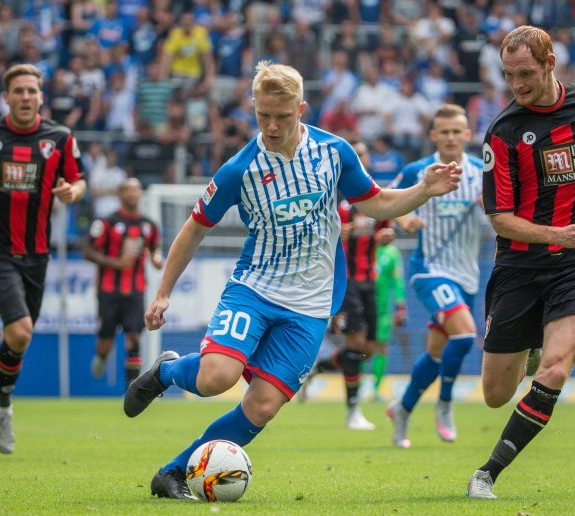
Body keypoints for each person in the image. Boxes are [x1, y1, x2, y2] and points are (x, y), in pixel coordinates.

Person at [122, 61, 462, 500]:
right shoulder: (239, 169)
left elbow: (376, 203)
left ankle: (171, 473)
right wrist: (163, 292)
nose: (272, 126)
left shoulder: (334, 152)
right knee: (215, 378)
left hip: (311, 306)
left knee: (262, 406)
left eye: (282, 116)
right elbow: (194, 228)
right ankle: (166, 371)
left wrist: (423, 191)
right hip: (255, 290)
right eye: (263, 115)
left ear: (301, 109)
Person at [467, 25, 575, 499]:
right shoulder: (503, 133)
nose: (516, 84)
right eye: (508, 75)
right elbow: (500, 219)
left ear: (550, 64)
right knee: (495, 394)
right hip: (521, 266)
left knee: (557, 367)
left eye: (525, 73)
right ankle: (530, 346)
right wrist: (554, 234)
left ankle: (487, 473)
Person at [0, 64, 86, 461]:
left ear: (42, 97)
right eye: (18, 91)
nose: (25, 97)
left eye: (32, 91)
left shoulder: (59, 138)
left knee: (15, 339)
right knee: (20, 331)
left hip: (37, 255)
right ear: (6, 97)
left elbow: (79, 179)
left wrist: (73, 192)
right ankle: (2, 409)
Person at [386, 104, 484, 448]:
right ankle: (445, 404)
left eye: (457, 131)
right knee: (465, 335)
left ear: (467, 135)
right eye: (445, 132)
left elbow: (501, 213)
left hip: (467, 274)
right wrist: (405, 220)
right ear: (433, 136)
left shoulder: (482, 172)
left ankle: (402, 408)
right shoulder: (417, 170)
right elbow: (387, 201)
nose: (451, 137)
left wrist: (491, 206)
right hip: (429, 270)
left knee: (436, 354)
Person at [313, 139, 393, 430]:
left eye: (363, 154)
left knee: (367, 349)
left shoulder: (374, 199)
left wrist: (387, 237)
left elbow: (385, 233)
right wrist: (336, 234)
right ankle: (353, 412)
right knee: (356, 344)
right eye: (355, 154)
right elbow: (316, 237)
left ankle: (319, 368)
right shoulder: (334, 199)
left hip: (370, 280)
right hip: (346, 281)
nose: (360, 158)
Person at [84, 178, 163, 388]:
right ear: (120, 194)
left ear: (140, 194)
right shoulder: (106, 223)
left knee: (134, 338)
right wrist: (116, 263)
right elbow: (88, 251)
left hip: (136, 290)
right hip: (108, 291)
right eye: (127, 190)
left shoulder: (149, 225)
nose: (132, 194)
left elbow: (155, 247)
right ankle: (101, 356)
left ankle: (132, 389)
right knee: (105, 343)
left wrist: (156, 257)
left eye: (135, 190)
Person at [371, 235, 406, 401]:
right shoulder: (365, 247)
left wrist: (400, 305)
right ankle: (356, 388)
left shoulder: (392, 253)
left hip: (382, 310)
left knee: (381, 347)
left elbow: (397, 280)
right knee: (359, 346)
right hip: (361, 306)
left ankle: (376, 389)